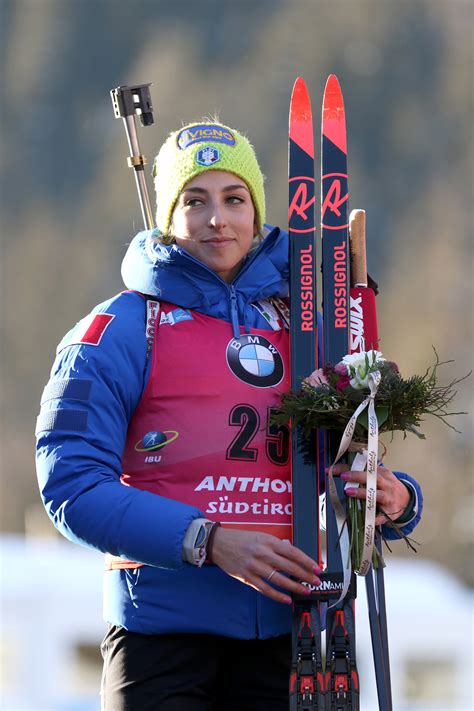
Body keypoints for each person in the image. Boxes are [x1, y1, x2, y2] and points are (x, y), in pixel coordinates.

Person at [35, 120, 422, 711]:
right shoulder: (119, 328)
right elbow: (71, 483)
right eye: (196, 201)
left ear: (256, 211)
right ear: (168, 216)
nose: (218, 219)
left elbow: (344, 460)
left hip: (291, 633)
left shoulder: (304, 327)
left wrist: (390, 500)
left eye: (234, 199)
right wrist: (207, 541)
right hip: (161, 636)